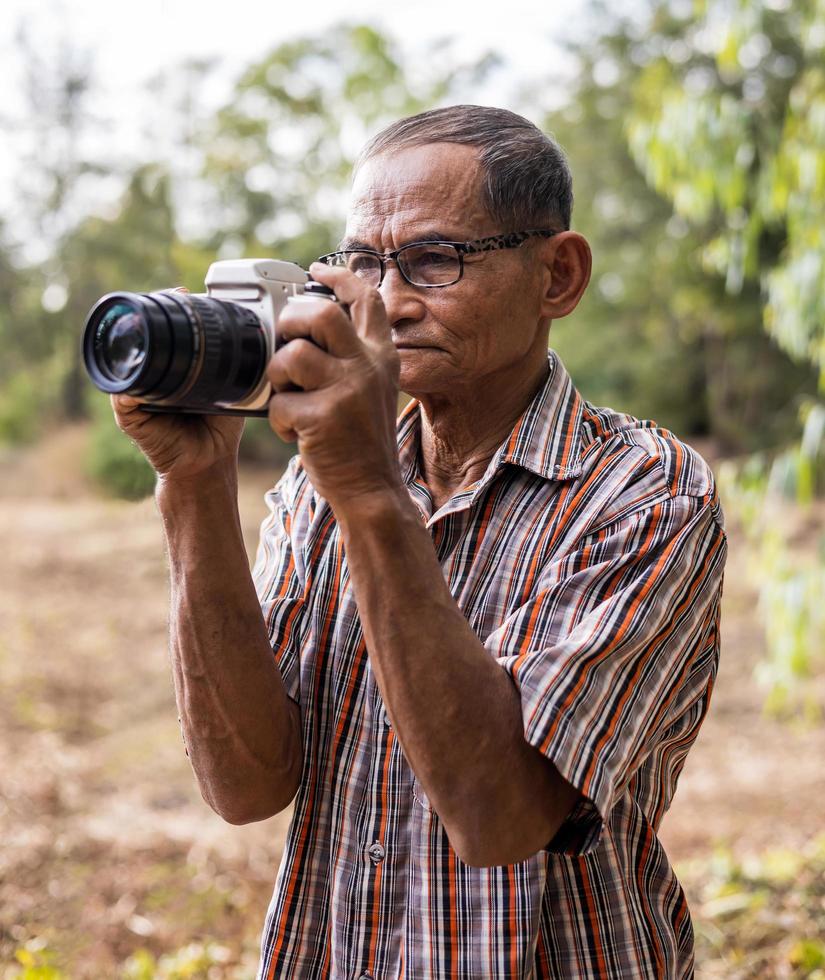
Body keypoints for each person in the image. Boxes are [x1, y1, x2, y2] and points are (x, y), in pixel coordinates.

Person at [113, 105, 727, 979]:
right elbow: (246, 784)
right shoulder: (318, 482)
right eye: (361, 263)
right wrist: (193, 482)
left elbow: (500, 818)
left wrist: (366, 491)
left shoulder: (643, 491)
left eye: (435, 260)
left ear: (557, 274)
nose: (388, 302)